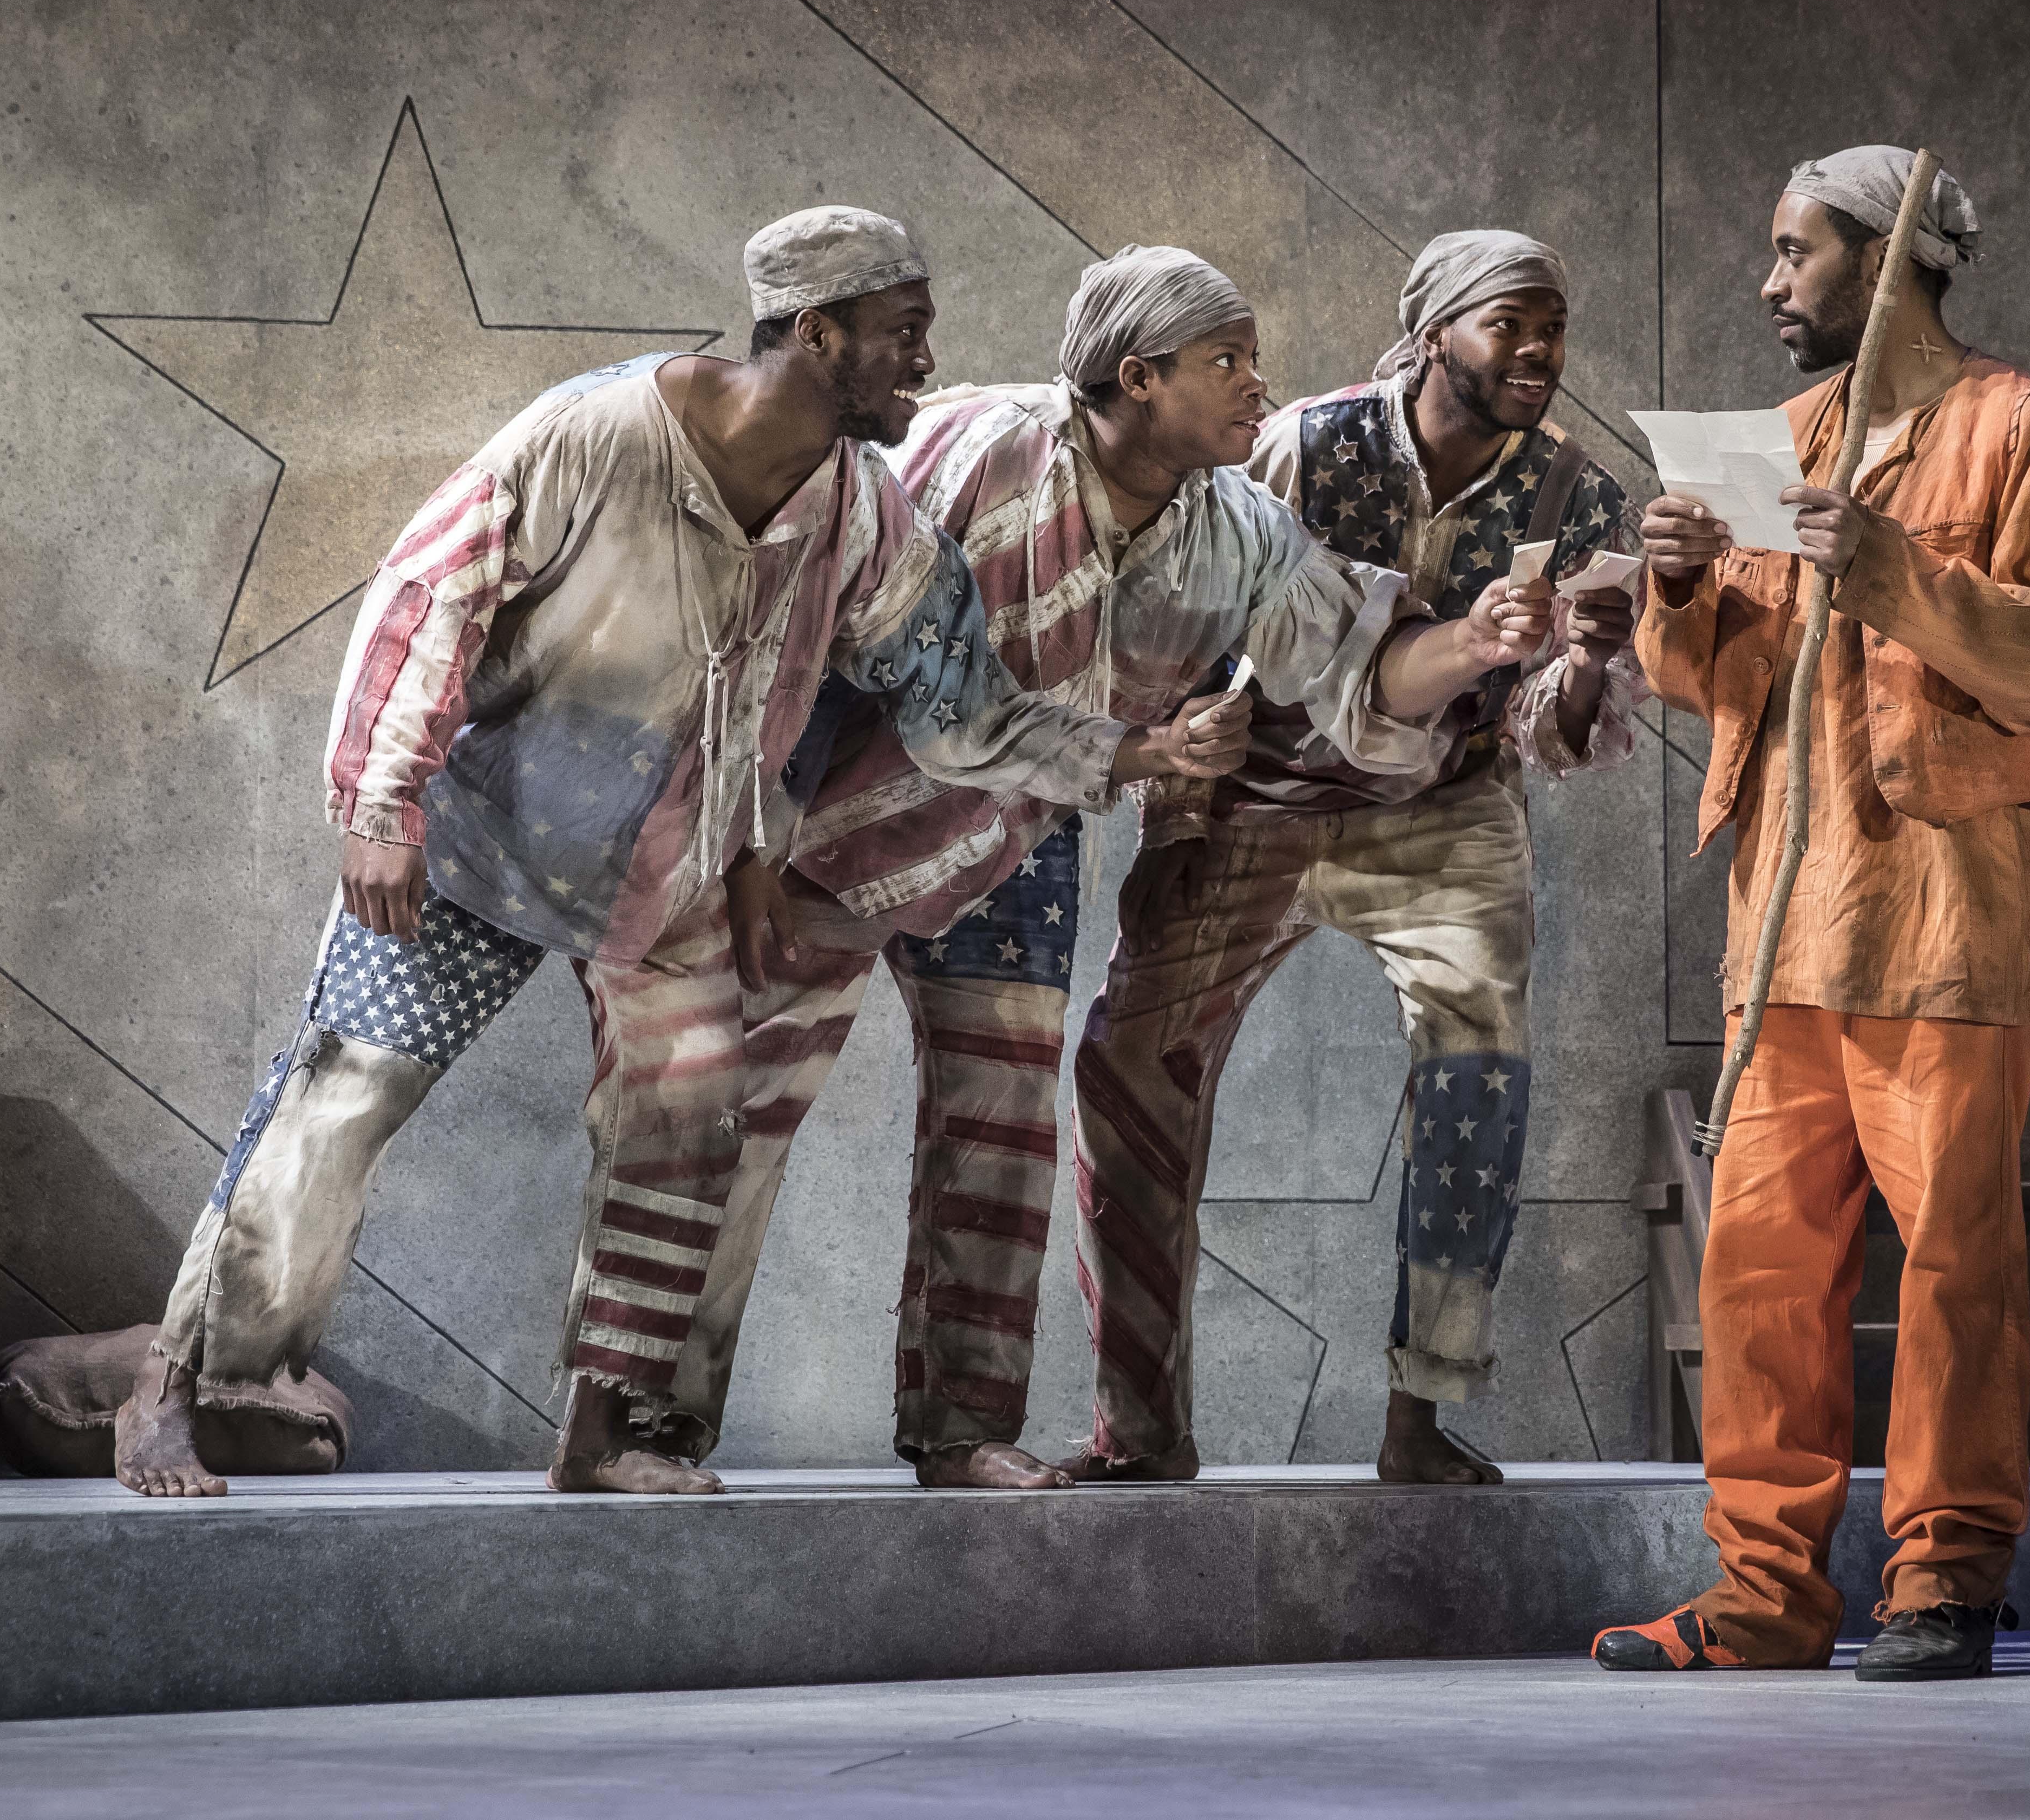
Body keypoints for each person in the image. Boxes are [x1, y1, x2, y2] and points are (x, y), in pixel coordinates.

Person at [114, 208, 1213, 1500]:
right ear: (819, 333)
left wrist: (1125, 757)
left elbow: (952, 705)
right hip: (476, 853)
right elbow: (427, 594)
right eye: (904, 334)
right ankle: (174, 1390)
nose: (927, 361)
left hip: (669, 879)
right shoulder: (596, 431)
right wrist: (376, 807)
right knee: (340, 1100)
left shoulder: (859, 509)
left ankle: (599, 1439)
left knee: (688, 1125)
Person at [603, 244, 1553, 1489]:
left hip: (1015, 843)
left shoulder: (1239, 526)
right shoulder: (978, 449)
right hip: (829, 834)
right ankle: (649, 1419)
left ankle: (961, 1429)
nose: (1256, 387)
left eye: (1253, 361)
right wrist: (752, 844)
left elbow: (1361, 663)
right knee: (746, 1107)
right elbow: (799, 612)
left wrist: (1475, 642)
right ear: (1137, 375)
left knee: (999, 1131)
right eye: (1226, 362)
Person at [1589, 148, 2030, 1679]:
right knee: (1754, 1273)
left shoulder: (2020, 429)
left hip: (1944, 923)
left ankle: (1943, 1584)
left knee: (1959, 1268)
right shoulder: (1782, 441)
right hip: (1780, 936)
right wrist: (1679, 592)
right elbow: (1719, 683)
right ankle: (1763, 1598)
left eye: (1794, 252)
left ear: (1893, 259)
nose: (1768, 284)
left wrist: (1897, 573)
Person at [1063, 230, 1645, 1486]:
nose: (1540, 348)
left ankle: (1419, 1417)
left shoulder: (1579, 497)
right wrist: (1177, 817)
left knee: (1478, 1080)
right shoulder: (1305, 445)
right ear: (1437, 331)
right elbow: (1203, 634)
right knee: (1127, 1067)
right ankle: (1141, 1427)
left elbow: (1553, 730)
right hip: (1257, 801)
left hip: (1444, 810)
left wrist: (1589, 657)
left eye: (1553, 324)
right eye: (1510, 324)